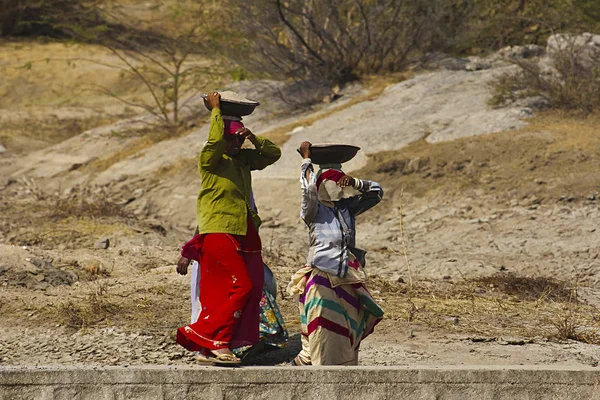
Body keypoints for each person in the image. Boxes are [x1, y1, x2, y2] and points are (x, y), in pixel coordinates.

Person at [175, 91, 281, 365]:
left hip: (244, 231)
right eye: (229, 136)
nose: (234, 141)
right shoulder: (211, 161)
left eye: (237, 137)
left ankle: (217, 347)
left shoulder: (243, 161)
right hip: (219, 231)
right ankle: (212, 339)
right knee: (241, 286)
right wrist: (215, 113)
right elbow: (212, 141)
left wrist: (252, 137)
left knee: (252, 287)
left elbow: (273, 154)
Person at [288, 141, 385, 366]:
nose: (338, 186)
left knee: (348, 328)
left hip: (347, 277)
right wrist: (306, 161)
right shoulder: (313, 211)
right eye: (333, 181)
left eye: (340, 181)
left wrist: (355, 182)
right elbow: (307, 191)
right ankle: (315, 371)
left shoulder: (347, 207)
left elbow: (377, 193)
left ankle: (334, 373)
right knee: (322, 328)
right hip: (322, 276)